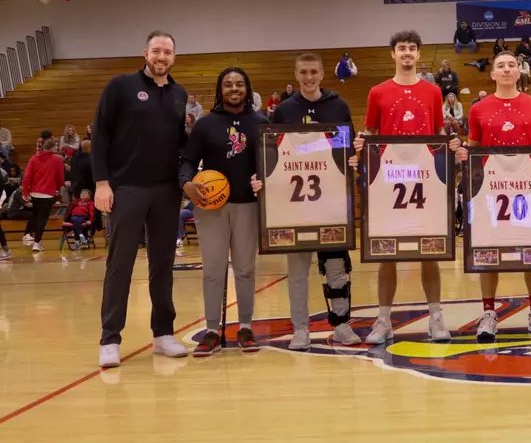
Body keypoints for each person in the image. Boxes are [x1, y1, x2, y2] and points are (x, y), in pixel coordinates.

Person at [94, 31, 189, 368]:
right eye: (156, 50)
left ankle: (163, 334)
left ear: (174, 57)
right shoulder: (120, 86)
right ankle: (110, 338)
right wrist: (102, 182)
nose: (162, 57)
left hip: (166, 191)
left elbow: (180, 144)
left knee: (162, 264)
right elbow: (100, 134)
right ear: (145, 53)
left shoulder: (179, 94)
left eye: (167, 52)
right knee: (120, 264)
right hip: (127, 188)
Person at [358, 30, 458, 344]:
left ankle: (436, 318)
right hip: (390, 182)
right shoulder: (377, 91)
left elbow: (438, 133)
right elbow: (370, 132)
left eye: (412, 48)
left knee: (430, 251)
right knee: (386, 253)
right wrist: (361, 144)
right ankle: (384, 320)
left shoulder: (433, 91)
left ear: (418, 54)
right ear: (393, 54)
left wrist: (450, 148)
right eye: (401, 48)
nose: (407, 53)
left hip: (425, 181)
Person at [462, 50, 531, 341]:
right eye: (501, 66)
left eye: (511, 65)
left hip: (528, 189)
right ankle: (489, 313)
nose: (506, 69)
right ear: (493, 73)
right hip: (490, 190)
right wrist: (460, 153)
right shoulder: (478, 109)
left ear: (519, 71)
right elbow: (472, 147)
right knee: (488, 250)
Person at [270, 52, 360, 350]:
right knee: (297, 270)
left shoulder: (338, 106)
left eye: (313, 72)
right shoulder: (283, 111)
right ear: (296, 75)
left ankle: (342, 324)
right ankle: (300, 328)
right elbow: (273, 153)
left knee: (336, 268)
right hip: (295, 206)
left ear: (322, 74)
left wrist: (350, 158)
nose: (308, 77)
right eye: (303, 72)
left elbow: (346, 148)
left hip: (331, 202)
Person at [182, 67, 268, 356]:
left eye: (239, 84)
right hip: (211, 207)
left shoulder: (261, 122)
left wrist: (264, 180)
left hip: (248, 206)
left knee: (245, 270)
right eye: (228, 84)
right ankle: (211, 331)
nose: (234, 89)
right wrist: (187, 183)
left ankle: (245, 327)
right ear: (220, 90)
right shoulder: (206, 124)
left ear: (247, 89)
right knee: (213, 270)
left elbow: (274, 162)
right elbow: (188, 160)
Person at [22, 138, 65, 252]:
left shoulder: (34, 158)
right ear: (53, 147)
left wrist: (25, 192)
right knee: (42, 219)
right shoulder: (57, 160)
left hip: (34, 193)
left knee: (36, 216)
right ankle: (36, 243)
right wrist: (57, 188)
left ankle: (31, 237)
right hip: (47, 194)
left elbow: (27, 176)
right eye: (56, 146)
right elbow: (60, 178)